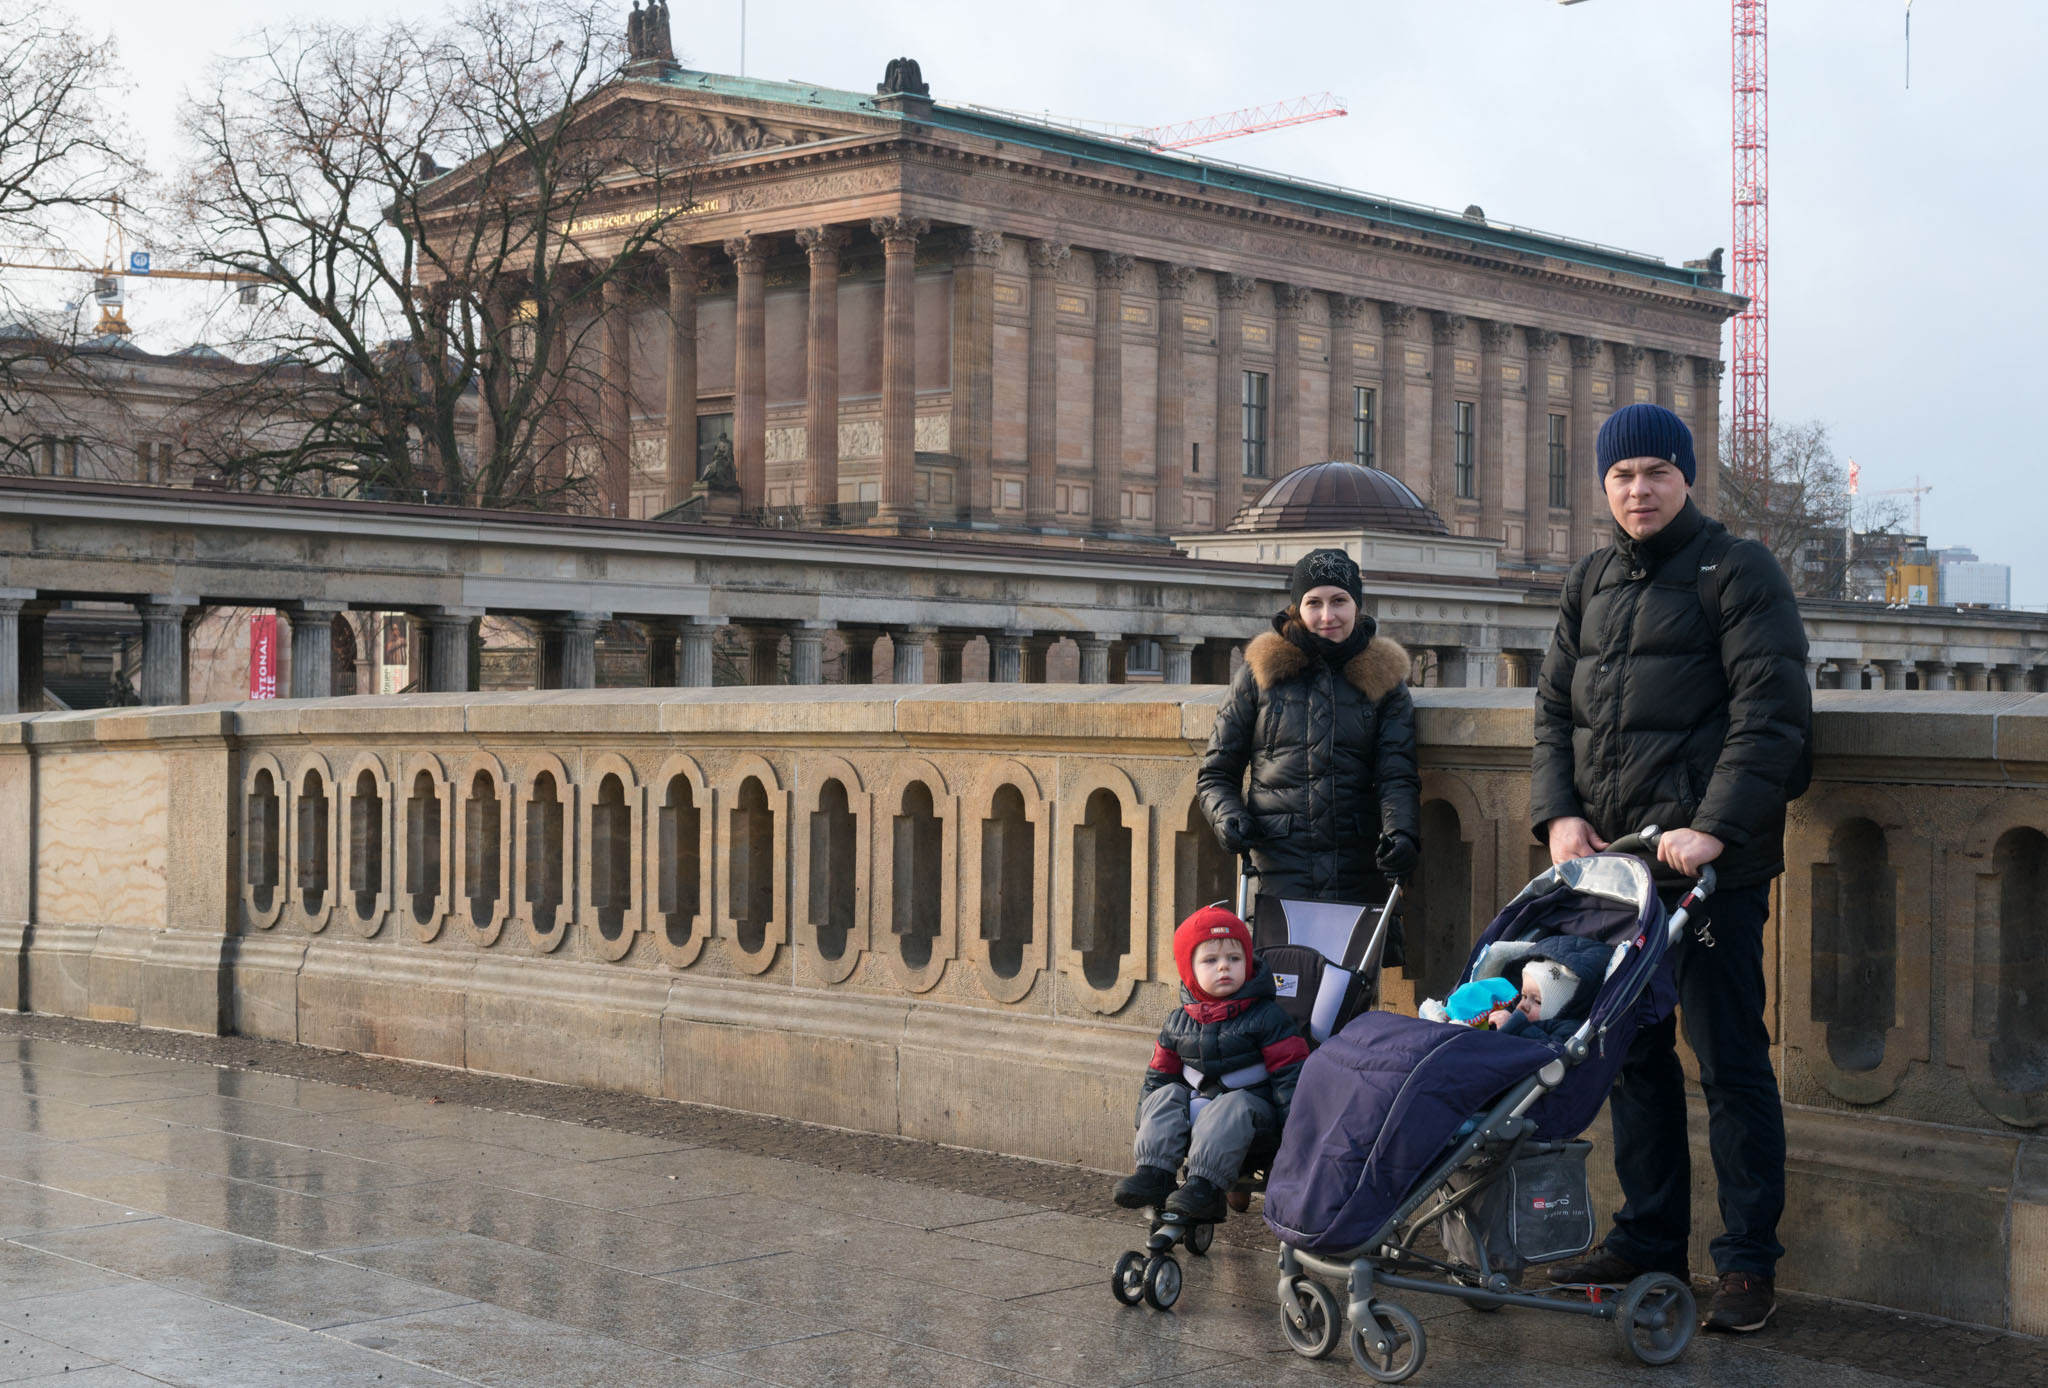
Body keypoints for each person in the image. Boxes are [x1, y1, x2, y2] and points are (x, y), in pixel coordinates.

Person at [1531, 402, 1809, 1333]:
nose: (1638, 490)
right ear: (1602, 486)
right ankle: (1649, 1238)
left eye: (1655, 472)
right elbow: (1553, 713)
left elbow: (1769, 714)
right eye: (1621, 476)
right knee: (1631, 1059)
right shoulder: (1591, 578)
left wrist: (1713, 829)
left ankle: (1745, 1263)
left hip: (1708, 871)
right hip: (1616, 872)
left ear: (1688, 477)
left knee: (1730, 1062)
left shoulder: (1739, 570)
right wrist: (1559, 812)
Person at [1196, 547, 1421, 954]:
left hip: (1358, 862)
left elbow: (1396, 775)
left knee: (1352, 998)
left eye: (1339, 601)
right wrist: (1227, 818)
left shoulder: (1386, 681)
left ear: (1357, 605)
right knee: (1284, 988)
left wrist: (1402, 834)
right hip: (1282, 862)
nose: (1326, 616)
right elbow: (1216, 774)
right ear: (1297, 607)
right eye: (1313, 603)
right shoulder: (1259, 674)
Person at [1111, 907, 1309, 1222]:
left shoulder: (1268, 1017)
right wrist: (1145, 1123)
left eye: (1234, 958)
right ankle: (1154, 1172)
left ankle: (1204, 1188)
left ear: (1248, 962)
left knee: (1231, 1105)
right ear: (1189, 969)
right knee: (1163, 1095)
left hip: (1254, 1121)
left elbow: (1291, 1077)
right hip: (1197, 1113)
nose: (1223, 968)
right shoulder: (1177, 1022)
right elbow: (1157, 1077)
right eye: (1210, 960)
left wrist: (1296, 1137)